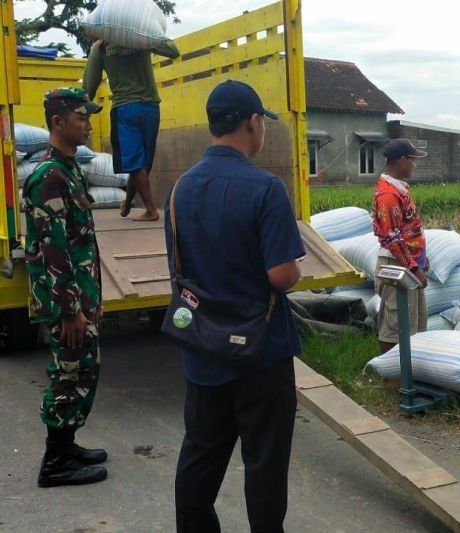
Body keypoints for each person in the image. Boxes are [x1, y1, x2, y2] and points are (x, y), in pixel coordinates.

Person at [167, 80, 305, 532]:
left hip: (202, 347)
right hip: (260, 355)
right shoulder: (266, 188)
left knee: (200, 455)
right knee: (264, 463)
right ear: (252, 123)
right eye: (262, 122)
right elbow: (281, 275)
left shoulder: (180, 189)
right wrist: (296, 272)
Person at [21, 88, 108, 487]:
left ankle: (67, 444)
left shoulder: (70, 169)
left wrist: (94, 299)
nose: (88, 123)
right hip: (64, 303)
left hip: (81, 296)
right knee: (68, 373)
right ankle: (54, 463)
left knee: (84, 369)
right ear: (57, 122)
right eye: (80, 116)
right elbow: (54, 252)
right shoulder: (49, 176)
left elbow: (82, 244)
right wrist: (72, 309)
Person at [83, 36, 180, 222]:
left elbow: (90, 84)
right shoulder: (141, 36)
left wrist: (84, 111)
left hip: (124, 108)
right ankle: (127, 203)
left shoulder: (100, 48)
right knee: (141, 163)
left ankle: (151, 210)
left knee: (134, 162)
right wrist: (144, 38)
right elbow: (173, 51)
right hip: (150, 107)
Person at [372, 138, 429, 354]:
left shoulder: (399, 189)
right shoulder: (388, 194)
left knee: (414, 324)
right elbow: (392, 238)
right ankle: (392, 379)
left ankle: (409, 376)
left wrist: (421, 259)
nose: (415, 165)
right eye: (413, 160)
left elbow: (407, 231)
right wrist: (413, 268)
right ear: (402, 160)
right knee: (395, 326)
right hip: (397, 266)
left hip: (408, 263)